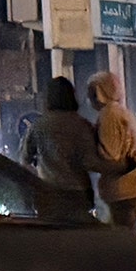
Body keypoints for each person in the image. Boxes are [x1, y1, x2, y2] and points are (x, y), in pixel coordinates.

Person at [19, 77, 112, 221]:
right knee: (77, 237)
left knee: (53, 238)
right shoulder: (82, 125)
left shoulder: (38, 126)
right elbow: (91, 162)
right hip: (78, 193)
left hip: (49, 194)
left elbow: (24, 161)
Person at [88, 71, 136, 232]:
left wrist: (89, 157)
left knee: (123, 235)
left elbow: (111, 154)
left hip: (122, 188)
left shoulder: (109, 114)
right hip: (135, 183)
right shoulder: (123, 112)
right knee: (128, 231)